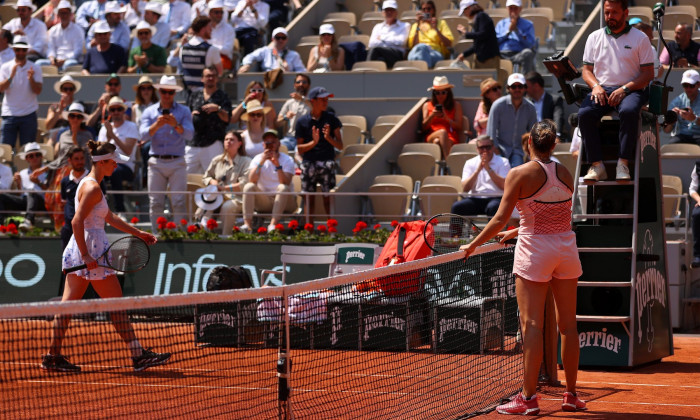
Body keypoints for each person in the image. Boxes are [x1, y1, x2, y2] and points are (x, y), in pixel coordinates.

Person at [461, 120, 585, 415]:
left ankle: (528, 399)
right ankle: (571, 395)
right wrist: (517, 230)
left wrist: (473, 245)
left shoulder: (518, 173)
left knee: (532, 326)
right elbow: (554, 214)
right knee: (568, 326)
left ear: (530, 143)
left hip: (536, 251)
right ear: (554, 144)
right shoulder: (566, 173)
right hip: (565, 249)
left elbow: (499, 219)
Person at [42, 140, 171, 373]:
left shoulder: (90, 184)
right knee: (116, 306)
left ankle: (52, 355)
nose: (116, 167)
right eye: (113, 163)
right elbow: (76, 221)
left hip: (85, 248)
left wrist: (138, 233)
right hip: (90, 250)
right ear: (102, 163)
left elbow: (109, 217)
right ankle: (138, 355)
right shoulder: (92, 188)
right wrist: (85, 255)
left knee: (67, 307)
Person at [579, 0, 655, 181]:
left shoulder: (640, 38)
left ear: (625, 13)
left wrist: (624, 89)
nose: (609, 17)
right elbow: (586, 71)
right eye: (606, 13)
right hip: (602, 90)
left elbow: (648, 74)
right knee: (584, 114)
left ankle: (623, 164)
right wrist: (596, 86)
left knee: (629, 111)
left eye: (614, 12)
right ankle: (597, 166)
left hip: (631, 89)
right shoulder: (594, 37)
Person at [139, 75, 194, 231]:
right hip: (156, 161)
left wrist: (176, 125)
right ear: (160, 92)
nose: (167, 95)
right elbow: (142, 135)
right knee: (155, 202)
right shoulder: (149, 111)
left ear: (174, 93)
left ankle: (180, 235)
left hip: (177, 161)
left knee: (178, 202)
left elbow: (190, 135)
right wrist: (157, 125)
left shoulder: (184, 111)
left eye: (170, 92)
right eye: (164, 91)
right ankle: (156, 235)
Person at [295, 86, 343, 216]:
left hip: (327, 162)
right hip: (308, 163)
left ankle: (331, 233)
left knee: (328, 200)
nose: (326, 102)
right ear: (313, 101)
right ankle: (309, 233)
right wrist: (313, 143)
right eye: (322, 99)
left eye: (327, 99)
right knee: (308, 202)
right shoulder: (301, 122)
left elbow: (340, 146)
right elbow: (299, 148)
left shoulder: (332, 119)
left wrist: (328, 138)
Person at [240, 128, 296, 232]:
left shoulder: (288, 159)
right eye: (267, 142)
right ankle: (247, 225)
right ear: (263, 145)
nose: (270, 145)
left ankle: (272, 225)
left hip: (286, 202)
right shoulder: (257, 159)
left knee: (282, 187)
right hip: (265, 201)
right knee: (249, 186)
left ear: (279, 143)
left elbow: (285, 182)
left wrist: (277, 165)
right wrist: (262, 162)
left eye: (273, 142)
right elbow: (251, 179)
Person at [200, 130, 251, 233]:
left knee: (227, 207)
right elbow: (206, 177)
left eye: (232, 140)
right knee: (205, 201)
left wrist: (224, 188)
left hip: (237, 199)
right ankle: (202, 228)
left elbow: (244, 184)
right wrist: (212, 181)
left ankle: (225, 236)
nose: (228, 142)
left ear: (239, 144)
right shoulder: (217, 160)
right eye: (226, 139)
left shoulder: (246, 161)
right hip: (217, 196)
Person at [186, 65, 232, 173]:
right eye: (208, 76)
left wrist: (218, 109)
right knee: (187, 177)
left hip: (213, 143)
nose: (210, 78)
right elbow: (186, 116)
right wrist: (191, 115)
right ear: (202, 78)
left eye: (213, 76)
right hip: (194, 142)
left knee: (215, 177)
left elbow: (227, 119)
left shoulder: (222, 96)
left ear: (217, 78)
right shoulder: (194, 95)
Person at [98, 97, 139, 215]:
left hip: (125, 166)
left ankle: (120, 210)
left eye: (119, 109)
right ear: (109, 112)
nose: (116, 112)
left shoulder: (131, 126)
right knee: (94, 172)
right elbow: (100, 152)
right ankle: (99, 209)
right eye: (113, 109)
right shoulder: (104, 128)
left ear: (123, 111)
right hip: (107, 165)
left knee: (114, 172)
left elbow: (128, 151)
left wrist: (112, 136)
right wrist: (109, 136)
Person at [451, 135, 510, 217]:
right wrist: (477, 170)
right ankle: (456, 230)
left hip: (496, 198)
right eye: (482, 148)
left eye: (488, 147)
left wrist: (488, 169)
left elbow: (504, 186)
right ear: (477, 149)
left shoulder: (503, 162)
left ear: (493, 147)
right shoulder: (470, 162)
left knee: (494, 207)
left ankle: (493, 230)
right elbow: (465, 188)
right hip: (475, 198)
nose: (485, 151)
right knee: (457, 207)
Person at [0, 36, 43, 147]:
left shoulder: (35, 68)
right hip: (9, 114)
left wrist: (31, 79)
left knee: (28, 151)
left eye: (23, 50)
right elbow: (1, 88)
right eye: (18, 49)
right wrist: (11, 76)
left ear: (27, 50)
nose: (20, 52)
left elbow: (38, 91)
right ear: (13, 49)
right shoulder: (5, 67)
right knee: (6, 151)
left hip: (28, 114)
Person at [487, 72, 537, 167]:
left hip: (519, 151)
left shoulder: (531, 108)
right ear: (508, 88)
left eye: (520, 86)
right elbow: (491, 132)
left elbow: (532, 133)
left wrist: (529, 153)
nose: (517, 89)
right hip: (499, 149)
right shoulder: (498, 105)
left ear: (525, 88)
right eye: (513, 86)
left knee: (518, 175)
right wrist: (495, 150)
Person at [0, 142, 48, 231]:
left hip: (42, 202)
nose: (35, 158)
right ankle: (1, 223)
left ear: (41, 156)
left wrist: (39, 183)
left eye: (37, 155)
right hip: (26, 201)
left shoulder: (48, 172)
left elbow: (51, 193)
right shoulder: (22, 173)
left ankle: (29, 220)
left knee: (31, 193)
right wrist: (18, 184)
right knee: (1, 196)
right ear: (27, 159)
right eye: (31, 156)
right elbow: (20, 194)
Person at [422, 75, 464, 158]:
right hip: (432, 135)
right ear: (434, 94)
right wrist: (432, 115)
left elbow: (459, 126)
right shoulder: (427, 105)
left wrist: (446, 118)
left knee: (437, 142)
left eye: (443, 92)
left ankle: (439, 169)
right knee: (442, 132)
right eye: (437, 93)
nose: (440, 95)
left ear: (448, 93)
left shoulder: (456, 105)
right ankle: (449, 164)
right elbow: (423, 127)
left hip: (450, 137)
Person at [36, 1, 84, 72]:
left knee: (69, 64)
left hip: (70, 60)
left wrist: (64, 60)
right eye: (61, 13)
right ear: (58, 15)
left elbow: (77, 51)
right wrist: (52, 58)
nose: (64, 16)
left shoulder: (78, 30)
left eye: (66, 13)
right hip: (56, 60)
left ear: (70, 14)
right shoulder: (53, 30)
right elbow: (50, 48)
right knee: (38, 63)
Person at [179, 16, 223, 92]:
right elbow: (220, 72)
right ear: (203, 30)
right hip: (204, 95)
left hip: (186, 94)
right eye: (209, 27)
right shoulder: (212, 49)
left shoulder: (182, 48)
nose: (211, 30)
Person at [238, 27, 306, 74]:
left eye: (283, 38)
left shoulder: (293, 55)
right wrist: (247, 65)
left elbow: (302, 71)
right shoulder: (265, 51)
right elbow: (250, 56)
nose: (280, 40)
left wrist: (289, 73)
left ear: (287, 40)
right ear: (272, 39)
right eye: (278, 37)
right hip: (268, 79)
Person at [407, 0, 453, 69]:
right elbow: (413, 45)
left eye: (429, 9)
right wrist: (418, 26)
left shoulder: (441, 23)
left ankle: (421, 73)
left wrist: (436, 29)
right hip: (417, 51)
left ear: (433, 10)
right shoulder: (416, 25)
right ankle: (426, 74)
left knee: (418, 55)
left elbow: (448, 44)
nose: (426, 11)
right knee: (421, 48)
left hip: (434, 52)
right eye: (424, 9)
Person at [494, 0, 536, 74]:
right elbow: (495, 42)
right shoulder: (501, 24)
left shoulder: (528, 24)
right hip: (502, 54)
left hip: (518, 54)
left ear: (520, 9)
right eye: (511, 8)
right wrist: (508, 32)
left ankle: (525, 82)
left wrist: (517, 31)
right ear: (507, 8)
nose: (513, 11)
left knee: (528, 53)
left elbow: (530, 44)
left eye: (515, 8)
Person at [367, 0, 409, 69]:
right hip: (382, 54)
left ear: (396, 12)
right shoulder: (378, 27)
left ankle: (367, 71)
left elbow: (401, 42)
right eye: (387, 10)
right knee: (380, 59)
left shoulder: (405, 26)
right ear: (383, 12)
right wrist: (391, 41)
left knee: (375, 50)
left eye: (392, 10)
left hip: (396, 54)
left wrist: (382, 38)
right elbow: (371, 43)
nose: (389, 12)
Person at [663, 69, 700, 144]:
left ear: (698, 84)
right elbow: (666, 130)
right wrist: (672, 119)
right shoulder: (677, 102)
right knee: (669, 148)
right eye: (685, 85)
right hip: (682, 136)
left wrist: (694, 119)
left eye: (692, 86)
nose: (688, 89)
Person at [276, 73, 311, 151]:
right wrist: (286, 117)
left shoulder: (313, 101)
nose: (301, 84)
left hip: (306, 139)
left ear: (309, 86)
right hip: (290, 139)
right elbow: (277, 123)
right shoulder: (289, 103)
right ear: (294, 85)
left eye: (304, 82)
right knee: (276, 148)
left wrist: (301, 99)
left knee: (299, 153)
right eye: (298, 82)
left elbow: (314, 109)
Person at [525, 71, 565, 137]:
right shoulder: (526, 103)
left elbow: (558, 120)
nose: (525, 89)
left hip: (547, 139)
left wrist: (556, 136)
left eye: (526, 86)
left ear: (536, 86)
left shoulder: (554, 100)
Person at [45, 74, 80, 146]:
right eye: (65, 89)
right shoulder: (54, 107)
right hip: (56, 136)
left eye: (70, 89)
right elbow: (48, 127)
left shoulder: (78, 106)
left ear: (74, 90)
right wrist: (59, 112)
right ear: (61, 90)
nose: (68, 91)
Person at [207, 0, 236, 71]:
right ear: (210, 13)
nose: (219, 15)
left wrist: (210, 47)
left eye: (221, 12)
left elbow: (227, 50)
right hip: (207, 56)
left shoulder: (229, 29)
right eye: (216, 12)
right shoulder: (205, 28)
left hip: (223, 58)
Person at [689, 165, 700, 267]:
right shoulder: (698, 166)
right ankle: (698, 255)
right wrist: (699, 199)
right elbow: (692, 189)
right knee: (697, 214)